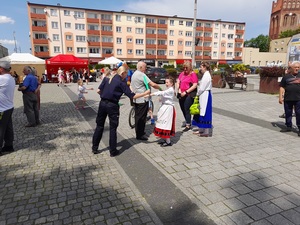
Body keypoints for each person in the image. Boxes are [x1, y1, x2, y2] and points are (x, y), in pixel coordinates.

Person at [92, 66, 150, 156]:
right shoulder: (121, 82)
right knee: (113, 128)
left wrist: (105, 95)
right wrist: (145, 93)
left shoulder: (107, 78)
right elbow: (132, 96)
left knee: (99, 126)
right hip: (113, 106)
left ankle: (95, 148)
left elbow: (98, 91)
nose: (126, 76)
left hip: (102, 104)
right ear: (123, 73)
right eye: (126, 74)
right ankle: (113, 151)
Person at [130, 61, 162, 141]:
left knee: (138, 116)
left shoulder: (134, 74)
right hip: (142, 99)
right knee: (141, 117)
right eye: (145, 67)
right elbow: (152, 84)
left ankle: (139, 132)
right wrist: (160, 88)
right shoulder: (142, 75)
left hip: (136, 99)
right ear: (141, 67)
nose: (146, 68)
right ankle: (140, 134)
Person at [150, 76, 176, 147]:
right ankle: (165, 139)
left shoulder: (170, 90)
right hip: (164, 108)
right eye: (165, 82)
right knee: (162, 123)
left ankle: (168, 142)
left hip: (168, 109)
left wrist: (152, 94)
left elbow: (162, 92)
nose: (166, 84)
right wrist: (161, 99)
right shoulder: (168, 90)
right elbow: (163, 95)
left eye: (167, 82)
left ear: (172, 83)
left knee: (166, 124)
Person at [279, 61, 300, 136]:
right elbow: (282, 87)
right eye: (295, 67)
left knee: (299, 113)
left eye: (298, 67)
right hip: (288, 98)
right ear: (291, 68)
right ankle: (288, 126)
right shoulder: (286, 77)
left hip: (298, 99)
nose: (297, 69)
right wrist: (280, 97)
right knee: (288, 113)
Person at [176, 60, 198, 132]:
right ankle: (187, 121)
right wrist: (178, 89)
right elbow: (178, 81)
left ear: (190, 67)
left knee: (186, 108)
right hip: (181, 93)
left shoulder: (193, 74)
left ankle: (188, 125)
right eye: (184, 68)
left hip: (188, 94)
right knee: (182, 108)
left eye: (186, 68)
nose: (185, 69)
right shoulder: (182, 74)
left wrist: (186, 92)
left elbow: (195, 85)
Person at [192, 62, 213, 137]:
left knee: (205, 112)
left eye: (201, 67)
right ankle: (201, 129)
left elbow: (202, 87)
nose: (200, 68)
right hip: (203, 95)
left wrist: (197, 94)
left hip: (205, 95)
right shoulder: (205, 75)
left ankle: (206, 131)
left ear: (205, 67)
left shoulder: (207, 75)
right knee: (200, 111)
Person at [0, 61, 15, 155]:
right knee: (8, 127)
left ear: (1, 69)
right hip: (8, 107)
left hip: (2, 109)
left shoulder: (2, 78)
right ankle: (9, 145)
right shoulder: (11, 78)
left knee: (1, 129)